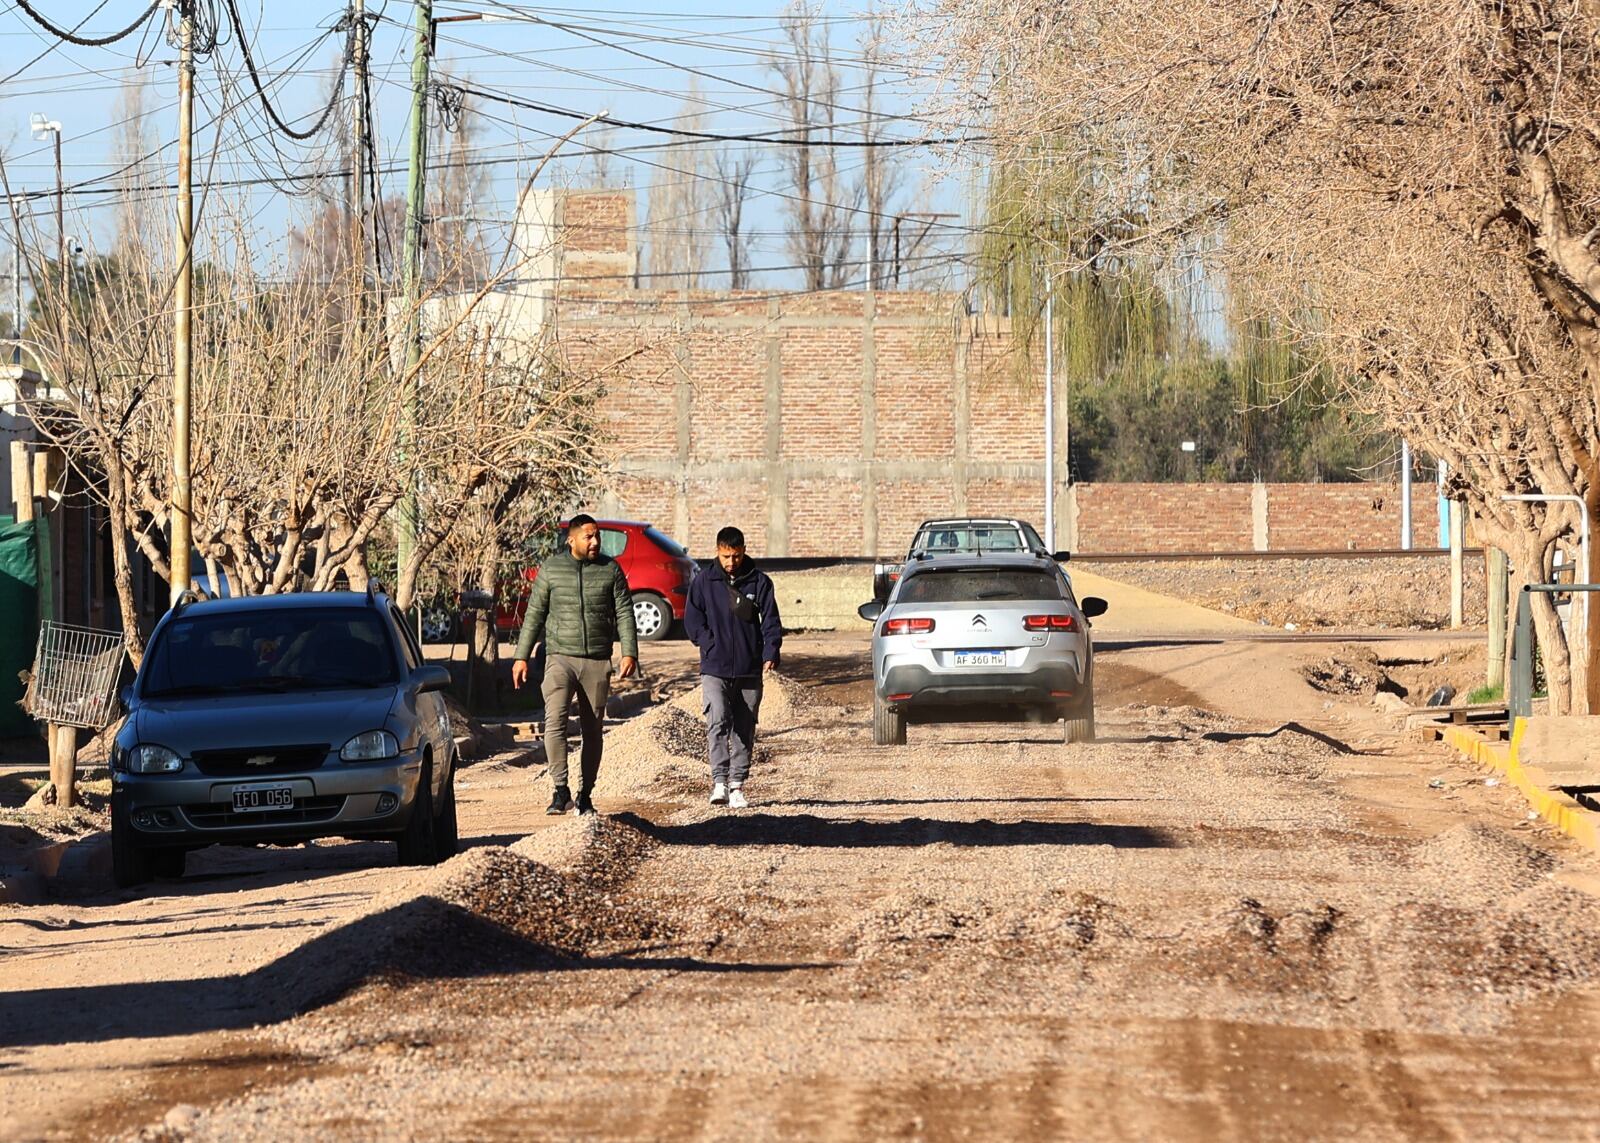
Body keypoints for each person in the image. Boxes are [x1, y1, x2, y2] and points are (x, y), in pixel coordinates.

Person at [511, 514, 638, 816]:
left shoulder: (610, 569)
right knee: (554, 721)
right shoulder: (552, 569)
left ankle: (586, 794)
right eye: (588, 537)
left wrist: (629, 651)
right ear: (572, 540)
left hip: (597, 660)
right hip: (559, 658)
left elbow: (624, 611)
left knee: (593, 729)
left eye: (597, 537)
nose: (595, 542)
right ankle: (560, 789)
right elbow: (534, 614)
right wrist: (521, 656)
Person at [684, 526, 783, 809]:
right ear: (717, 551)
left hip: (749, 668)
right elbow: (693, 621)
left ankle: (738, 784)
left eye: (736, 556)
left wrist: (771, 650)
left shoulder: (760, 582)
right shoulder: (703, 583)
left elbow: (772, 621)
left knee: (744, 726)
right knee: (717, 719)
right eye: (726, 556)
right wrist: (708, 643)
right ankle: (719, 782)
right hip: (714, 667)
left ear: (744, 551)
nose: (731, 562)